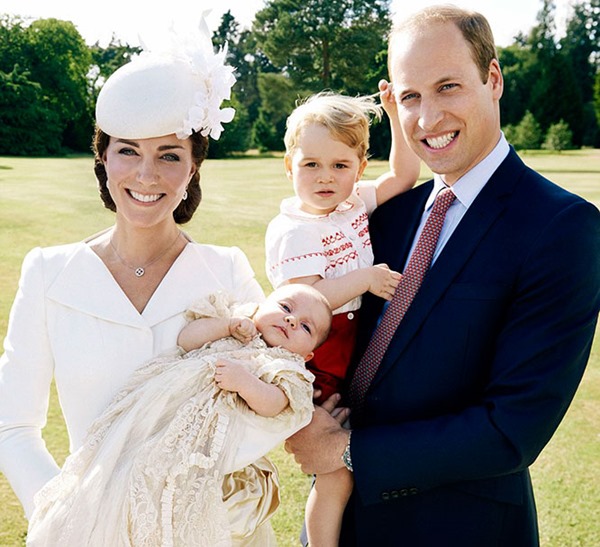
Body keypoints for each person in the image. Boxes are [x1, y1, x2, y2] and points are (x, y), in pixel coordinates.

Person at [285, 5, 600, 546]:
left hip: (461, 527)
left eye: (447, 87)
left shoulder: (561, 227)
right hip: (350, 523)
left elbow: (511, 429)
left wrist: (345, 451)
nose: (428, 119)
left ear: (493, 79)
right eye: (410, 97)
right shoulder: (388, 215)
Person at [0, 20, 278, 545]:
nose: (146, 176)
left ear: (194, 166)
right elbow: (13, 426)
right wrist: (67, 519)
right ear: (102, 158)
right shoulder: (47, 272)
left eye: (169, 155)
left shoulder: (228, 270)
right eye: (128, 151)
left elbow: (262, 408)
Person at [26, 284, 332, 546]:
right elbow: (187, 339)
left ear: (306, 356)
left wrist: (246, 382)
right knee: (127, 459)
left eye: (306, 327)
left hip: (201, 434)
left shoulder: (287, 367)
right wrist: (227, 325)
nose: (292, 320)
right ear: (262, 305)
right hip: (162, 406)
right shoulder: (237, 320)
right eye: (285, 306)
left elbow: (276, 403)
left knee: (172, 482)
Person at [265, 92, 420, 545]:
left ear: (359, 167)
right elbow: (308, 300)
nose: (325, 177)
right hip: (314, 355)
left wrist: (395, 115)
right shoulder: (294, 230)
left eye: (340, 165)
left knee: (354, 457)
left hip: (348, 348)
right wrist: (365, 279)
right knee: (335, 470)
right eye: (310, 164)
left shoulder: (353, 204)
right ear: (289, 166)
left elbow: (405, 175)